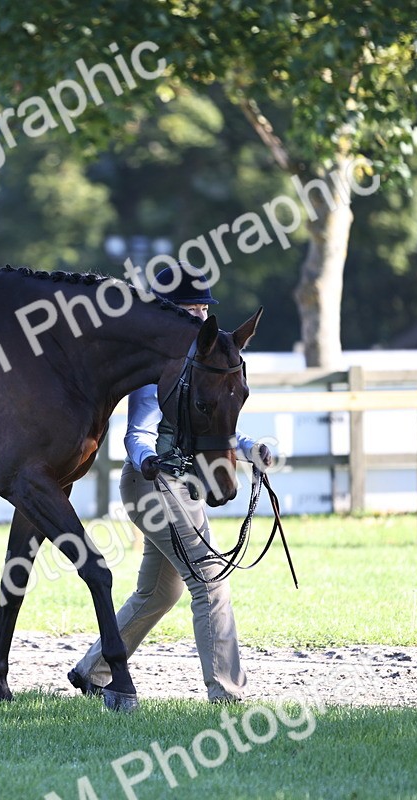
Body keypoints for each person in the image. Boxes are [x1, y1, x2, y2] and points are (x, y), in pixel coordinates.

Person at [68, 263, 272, 703]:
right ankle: (226, 692)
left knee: (160, 591)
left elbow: (209, 429)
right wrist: (148, 461)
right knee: (209, 580)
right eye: (193, 309)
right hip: (153, 484)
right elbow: (136, 436)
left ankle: (93, 670)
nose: (201, 317)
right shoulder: (156, 368)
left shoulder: (202, 363)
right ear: (171, 312)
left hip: (182, 488)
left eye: (204, 308)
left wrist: (252, 447)